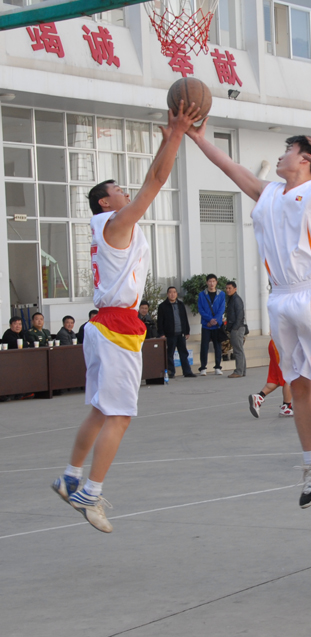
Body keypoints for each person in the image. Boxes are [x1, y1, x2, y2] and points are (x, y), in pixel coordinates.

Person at [188, 123, 311, 512]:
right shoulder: (267, 192)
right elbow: (228, 167)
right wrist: (198, 138)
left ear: (305, 158)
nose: (280, 155)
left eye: (287, 150)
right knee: (298, 385)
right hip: (282, 296)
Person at [51, 101, 202, 533]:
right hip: (116, 328)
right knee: (119, 416)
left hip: (103, 325)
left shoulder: (105, 227)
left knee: (101, 411)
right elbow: (156, 181)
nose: (125, 191)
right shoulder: (115, 224)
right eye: (118, 189)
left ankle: (71, 476)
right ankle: (90, 493)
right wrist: (177, 135)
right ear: (105, 200)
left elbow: (151, 177)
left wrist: (166, 143)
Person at [249, 339, 293, 418]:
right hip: (284, 345)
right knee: (290, 376)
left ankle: (259, 396)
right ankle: (286, 406)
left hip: (275, 343)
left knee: (276, 379)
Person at [157, 287, 195, 377]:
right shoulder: (162, 306)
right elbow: (160, 321)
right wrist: (161, 334)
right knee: (169, 354)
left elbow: (185, 318)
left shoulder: (181, 304)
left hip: (181, 333)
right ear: (167, 294)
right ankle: (171, 372)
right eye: (170, 292)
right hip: (169, 334)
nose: (172, 294)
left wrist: (187, 331)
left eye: (174, 292)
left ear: (177, 294)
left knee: (183, 353)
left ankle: (187, 372)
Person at [197, 274, 226, 376]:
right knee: (204, 346)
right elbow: (201, 309)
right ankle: (203, 368)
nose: (212, 283)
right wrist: (209, 320)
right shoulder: (202, 295)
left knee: (217, 346)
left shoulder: (221, 294)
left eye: (213, 281)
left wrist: (215, 320)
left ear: (216, 282)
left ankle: (217, 367)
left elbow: (222, 308)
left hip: (217, 325)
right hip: (206, 325)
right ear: (207, 282)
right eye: (210, 281)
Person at [225, 281, 247, 378]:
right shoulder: (231, 299)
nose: (228, 290)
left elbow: (240, 315)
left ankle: (238, 371)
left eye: (230, 288)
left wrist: (234, 328)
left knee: (237, 351)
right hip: (235, 327)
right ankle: (242, 371)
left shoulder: (236, 299)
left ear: (235, 289)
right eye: (227, 288)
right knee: (239, 350)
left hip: (237, 328)